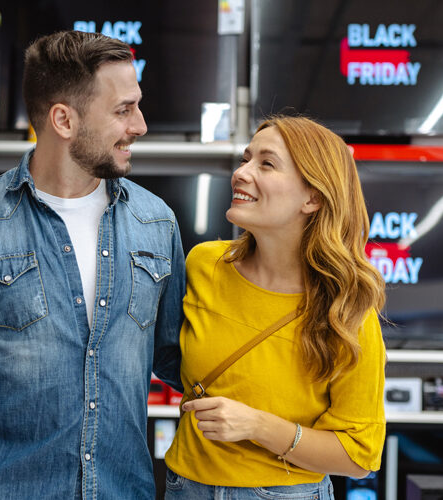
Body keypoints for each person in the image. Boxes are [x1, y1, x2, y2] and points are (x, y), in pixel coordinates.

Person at [0, 30, 185, 500]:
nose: (140, 125)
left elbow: (179, 359)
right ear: (63, 119)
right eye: (123, 110)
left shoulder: (156, 224)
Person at [163, 115, 387, 498]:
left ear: (312, 198)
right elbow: (169, 358)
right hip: (185, 487)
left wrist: (258, 426)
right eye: (245, 159)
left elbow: (358, 455)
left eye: (266, 164)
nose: (241, 173)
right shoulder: (203, 264)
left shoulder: (346, 308)